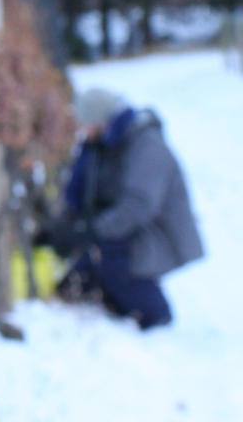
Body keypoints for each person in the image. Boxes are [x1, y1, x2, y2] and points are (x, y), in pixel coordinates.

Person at [43, 87, 204, 330]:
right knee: (76, 283)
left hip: (155, 233)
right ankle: (111, 293)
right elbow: (86, 189)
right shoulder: (103, 142)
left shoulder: (146, 145)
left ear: (101, 120)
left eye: (85, 123)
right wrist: (63, 227)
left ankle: (154, 314)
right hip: (122, 226)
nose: (81, 130)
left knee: (109, 256)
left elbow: (138, 207)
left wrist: (89, 231)